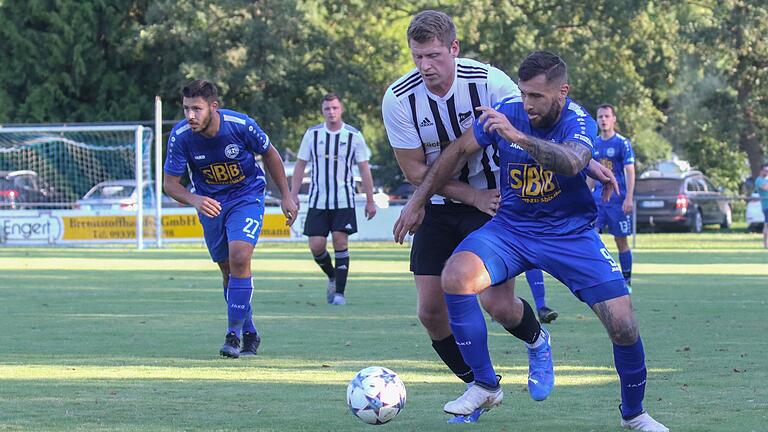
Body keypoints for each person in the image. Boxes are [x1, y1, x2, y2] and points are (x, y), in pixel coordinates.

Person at [394, 51, 668, 431]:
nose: (527, 104)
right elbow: (457, 151)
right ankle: (486, 385)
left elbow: (572, 162)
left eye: (536, 96)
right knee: (456, 277)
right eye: (524, 94)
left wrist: (516, 136)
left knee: (623, 324)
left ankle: (635, 415)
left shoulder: (578, 120)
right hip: (512, 229)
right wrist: (418, 200)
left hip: (570, 235)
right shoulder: (508, 111)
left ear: (562, 92)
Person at [163, 80, 297, 358]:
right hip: (210, 204)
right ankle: (249, 331)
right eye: (186, 108)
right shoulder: (180, 136)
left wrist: (286, 195)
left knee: (239, 257)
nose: (190, 115)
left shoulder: (240, 125)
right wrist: (195, 199)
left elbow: (270, 154)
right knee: (227, 270)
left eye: (196, 109)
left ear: (213, 107)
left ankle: (232, 335)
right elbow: (171, 185)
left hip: (246, 197)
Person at [291, 93, 377, 306]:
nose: (331, 112)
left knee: (340, 241)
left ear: (341, 109)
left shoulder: (353, 136)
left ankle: (339, 294)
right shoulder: (312, 135)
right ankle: (332, 276)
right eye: (327, 108)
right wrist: (292, 194)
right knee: (316, 246)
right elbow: (301, 165)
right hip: (318, 200)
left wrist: (370, 199)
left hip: (343, 200)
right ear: (323, 111)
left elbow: (364, 169)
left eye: (335, 108)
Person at [593, 104, 636, 288]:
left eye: (607, 116)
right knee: (591, 238)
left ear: (613, 119)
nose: (603, 120)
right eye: (600, 116)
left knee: (621, 241)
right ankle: (599, 278)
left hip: (618, 200)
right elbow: (590, 174)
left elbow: (630, 172)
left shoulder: (622, 143)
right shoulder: (593, 143)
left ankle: (626, 281)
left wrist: (628, 198)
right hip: (597, 200)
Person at [756, 163, 768, 248]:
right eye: (766, 170)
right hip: (766, 205)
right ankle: (765, 244)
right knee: (767, 225)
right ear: (761, 171)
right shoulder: (759, 180)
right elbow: (765, 187)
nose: (767, 172)